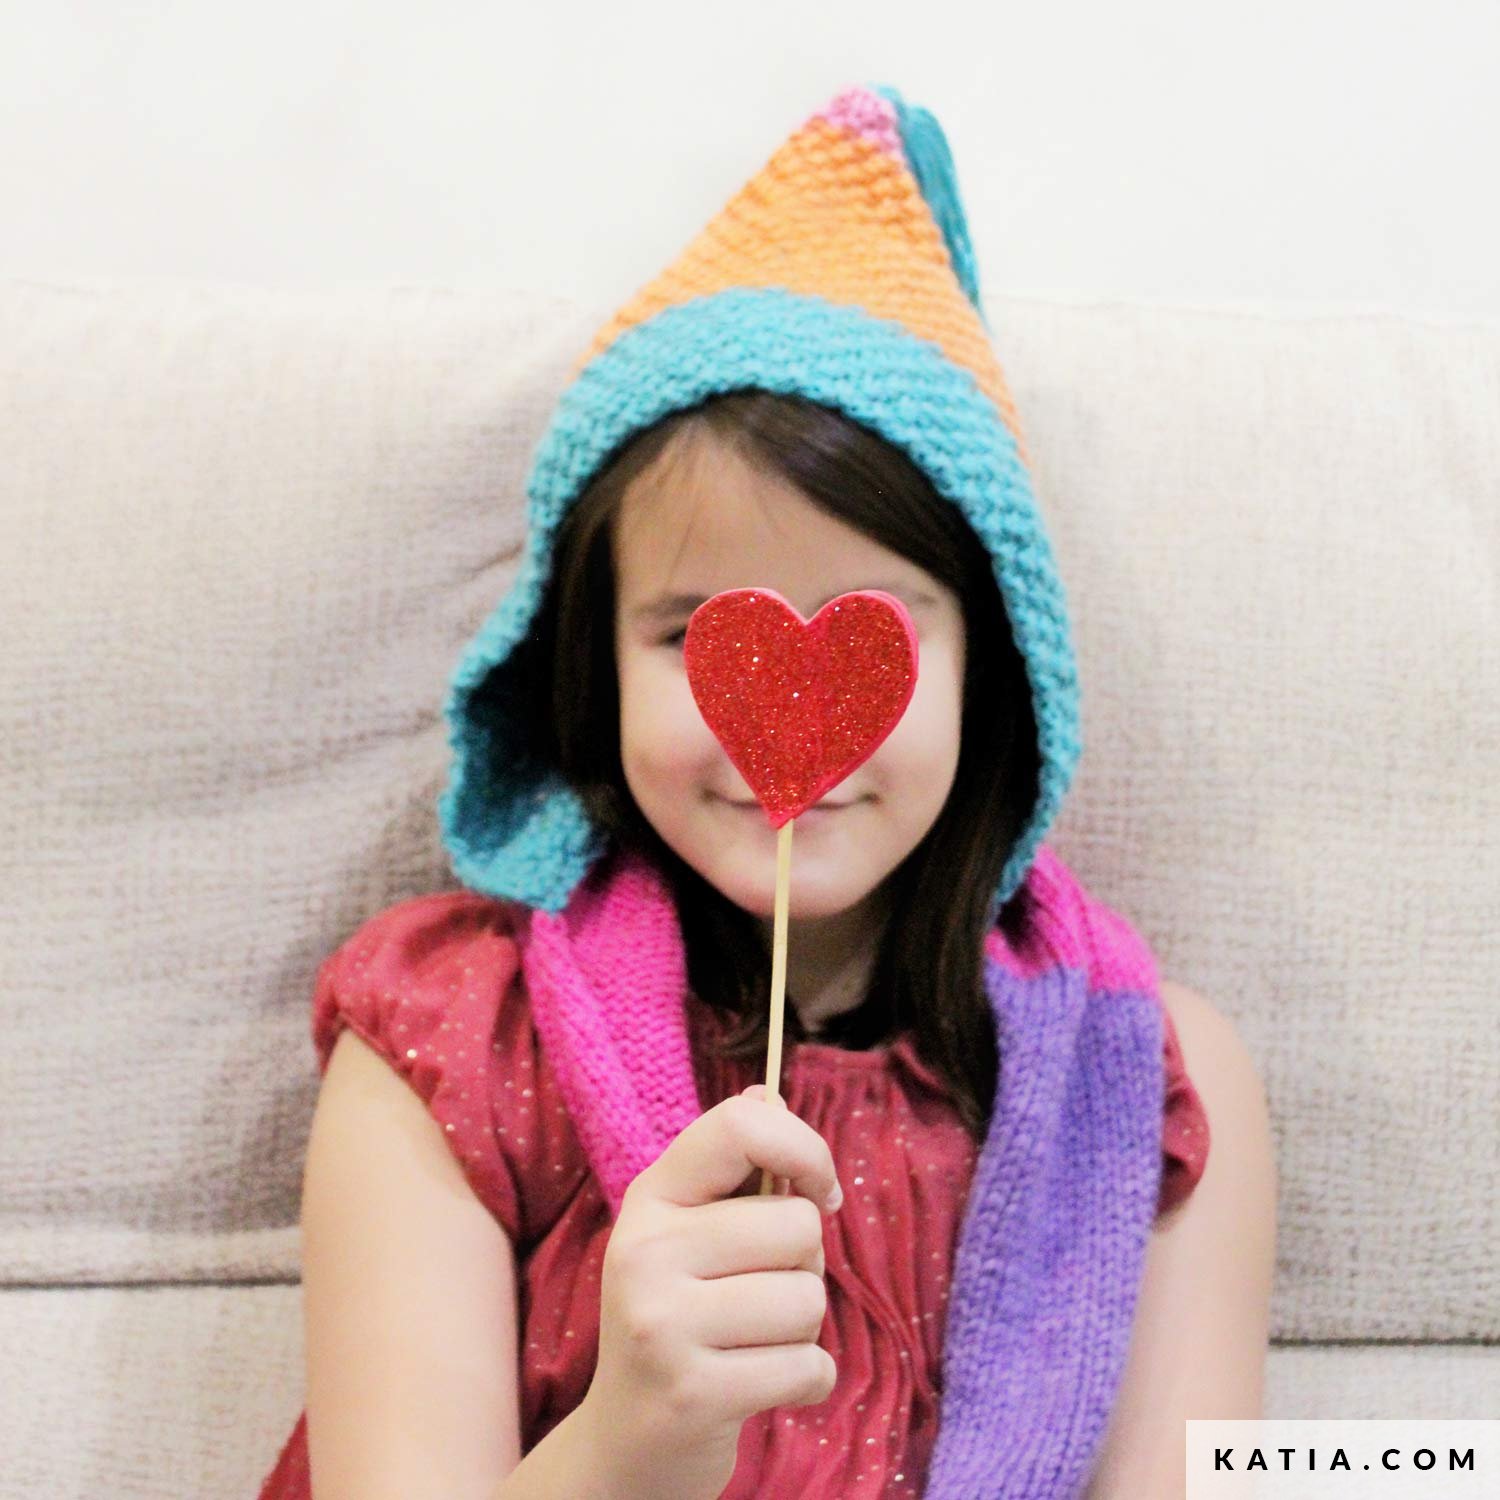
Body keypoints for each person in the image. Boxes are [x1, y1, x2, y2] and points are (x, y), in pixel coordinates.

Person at [256, 82, 1276, 1500]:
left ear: (991, 672)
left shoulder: (1152, 1087)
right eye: (696, 637)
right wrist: (635, 1435)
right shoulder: (450, 1050)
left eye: (875, 634)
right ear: (589, 665)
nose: (787, 725)